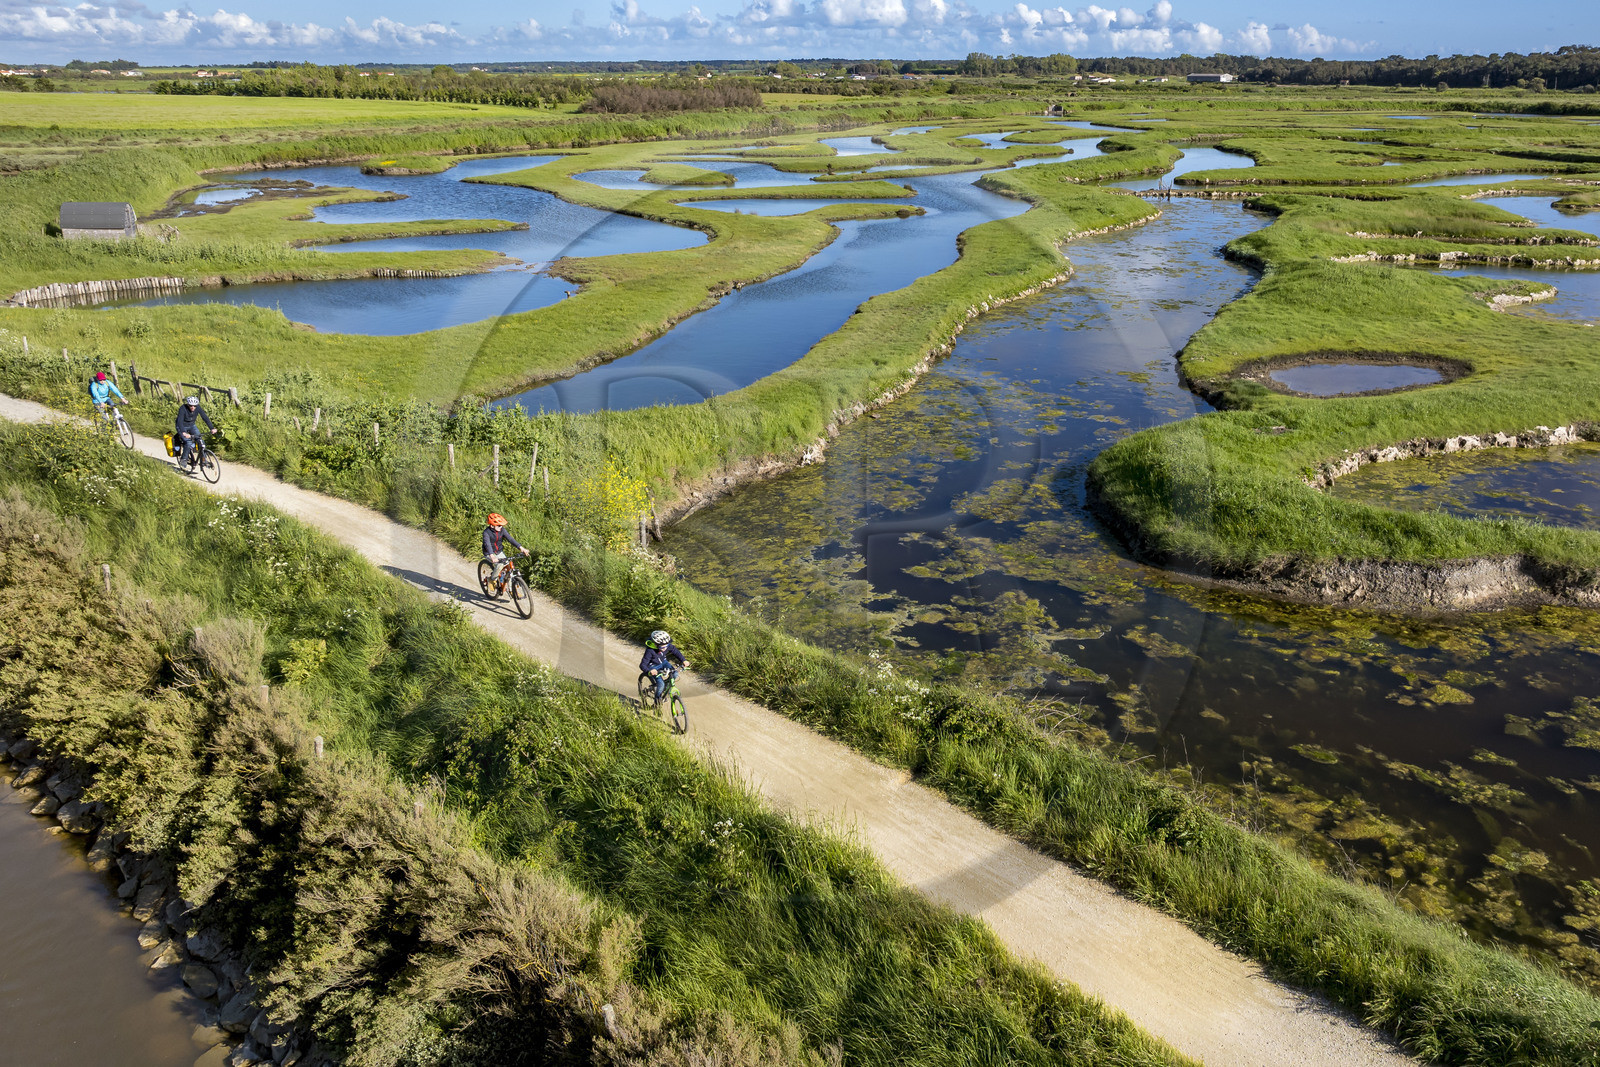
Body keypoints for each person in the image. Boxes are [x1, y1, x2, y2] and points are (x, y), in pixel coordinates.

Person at [640, 629, 689, 704]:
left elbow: (675, 651)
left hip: (663, 662)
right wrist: (649, 671)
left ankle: (664, 689)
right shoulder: (650, 651)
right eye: (662, 647)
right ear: (656, 644)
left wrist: (683, 660)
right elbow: (642, 665)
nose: (665, 648)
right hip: (653, 666)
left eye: (666, 646)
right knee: (661, 684)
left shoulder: (666, 645)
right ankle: (657, 701)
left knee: (675, 673)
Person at [481, 513, 528, 585]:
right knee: (499, 565)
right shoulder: (486, 533)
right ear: (492, 525)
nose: (501, 527)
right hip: (489, 553)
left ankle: (511, 590)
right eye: (499, 525)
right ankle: (492, 580)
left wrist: (521, 548)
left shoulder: (502, 530)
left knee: (508, 566)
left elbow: (510, 539)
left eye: (501, 525)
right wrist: (492, 555)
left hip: (499, 551)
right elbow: (487, 544)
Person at [174, 396, 216, 469]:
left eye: (195, 406)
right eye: (191, 405)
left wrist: (212, 428)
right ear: (188, 404)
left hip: (192, 425)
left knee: (201, 442)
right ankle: (183, 459)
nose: (193, 407)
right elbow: (179, 421)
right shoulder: (183, 408)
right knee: (188, 442)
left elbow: (205, 417)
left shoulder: (198, 408)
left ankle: (203, 460)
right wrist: (184, 432)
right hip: (182, 426)